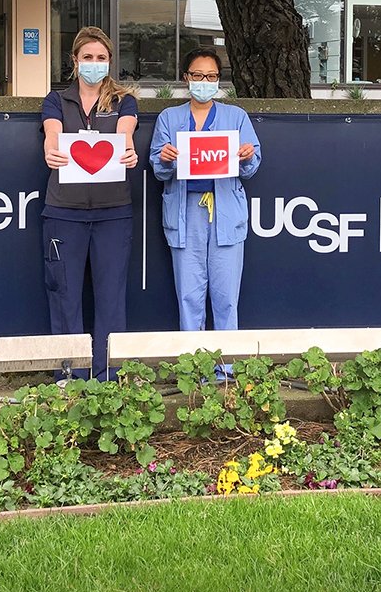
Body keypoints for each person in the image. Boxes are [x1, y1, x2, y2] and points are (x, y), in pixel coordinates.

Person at [41, 26, 139, 380]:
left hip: (113, 215)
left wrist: (127, 147)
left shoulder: (124, 100)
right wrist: (50, 148)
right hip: (63, 214)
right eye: (87, 58)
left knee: (111, 297)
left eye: (100, 58)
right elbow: (52, 131)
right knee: (64, 296)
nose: (94, 64)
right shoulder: (56, 100)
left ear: (110, 62)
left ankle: (108, 379)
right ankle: (70, 377)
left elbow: (126, 129)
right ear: (75, 61)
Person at [150, 48, 261, 334]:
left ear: (218, 80)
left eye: (211, 76)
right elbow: (158, 168)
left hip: (225, 211)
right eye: (198, 75)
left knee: (226, 296)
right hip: (185, 211)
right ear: (186, 77)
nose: (204, 81)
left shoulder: (235, 117)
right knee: (188, 295)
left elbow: (252, 166)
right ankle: (194, 366)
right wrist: (165, 158)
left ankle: (225, 367)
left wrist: (247, 155)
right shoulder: (169, 118)